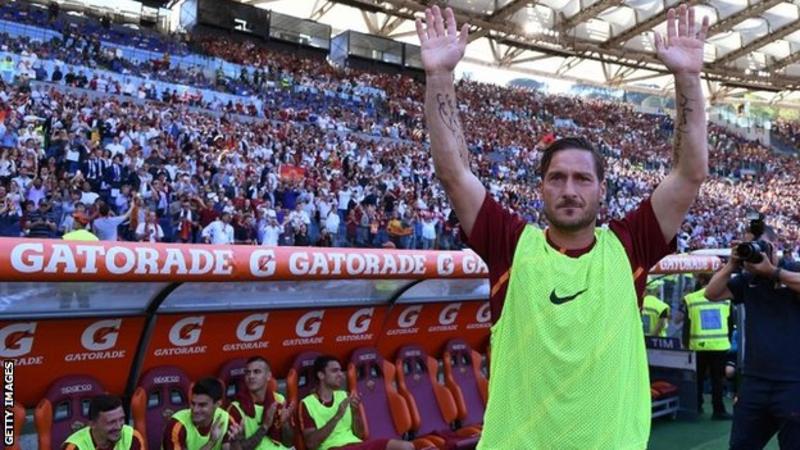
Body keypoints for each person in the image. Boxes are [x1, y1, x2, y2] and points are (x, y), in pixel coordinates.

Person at [416, 4, 709, 448]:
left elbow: (690, 174)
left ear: (601, 189)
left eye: (581, 179)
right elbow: (454, 173)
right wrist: (439, 76)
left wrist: (687, 77)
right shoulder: (511, 245)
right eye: (557, 178)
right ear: (541, 187)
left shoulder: (630, 245)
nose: (569, 190)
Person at [704, 225, 800, 449]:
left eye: (758, 244)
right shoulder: (747, 280)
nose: (754, 249)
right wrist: (732, 264)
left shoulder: (792, 269)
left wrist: (773, 272)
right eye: (748, 244)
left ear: (773, 246)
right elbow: (711, 293)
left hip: (793, 383)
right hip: (755, 382)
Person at [299, 355, 413, 450]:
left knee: (406, 446)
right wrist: (337, 416)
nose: (341, 374)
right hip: (332, 448)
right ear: (321, 375)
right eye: (334, 371)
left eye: (340, 370)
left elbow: (359, 434)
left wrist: (355, 412)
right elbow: (311, 444)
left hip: (356, 444)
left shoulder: (344, 395)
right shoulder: (307, 403)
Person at [682, 274, 733, 420]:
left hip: (697, 346)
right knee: (718, 380)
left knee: (697, 379)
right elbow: (730, 323)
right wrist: (727, 340)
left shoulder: (690, 299)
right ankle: (718, 410)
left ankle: (697, 407)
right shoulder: (726, 298)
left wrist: (686, 344)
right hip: (719, 346)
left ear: (700, 280)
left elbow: (687, 325)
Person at [227, 357, 295, 449]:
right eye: (248, 372)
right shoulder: (236, 408)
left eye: (257, 372)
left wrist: (285, 423)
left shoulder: (279, 400)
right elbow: (240, 448)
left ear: (268, 376)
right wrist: (265, 426)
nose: (251, 376)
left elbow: (289, 443)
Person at [163, 377, 238, 450]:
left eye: (202, 405)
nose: (195, 410)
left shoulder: (226, 420)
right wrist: (211, 442)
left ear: (217, 404)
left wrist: (237, 440)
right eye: (193, 403)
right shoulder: (177, 425)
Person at [62, 395, 144, 449]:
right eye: (111, 422)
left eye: (121, 419)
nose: (119, 426)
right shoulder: (75, 447)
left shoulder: (132, 437)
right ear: (92, 424)